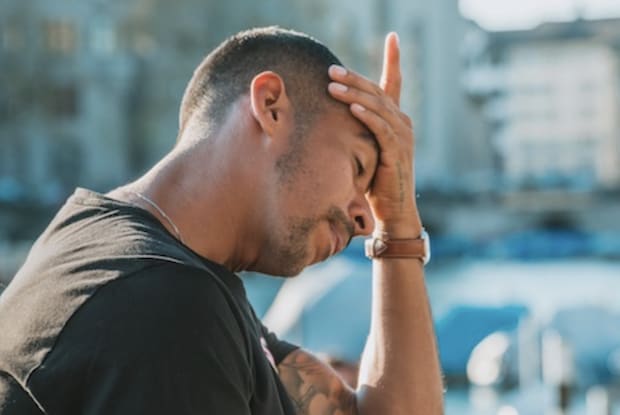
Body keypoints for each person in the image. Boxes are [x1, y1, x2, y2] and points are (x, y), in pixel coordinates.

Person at [0, 26, 443, 414]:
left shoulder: (133, 263)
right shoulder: (164, 305)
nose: (367, 217)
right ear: (270, 105)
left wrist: (399, 222)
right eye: (359, 168)